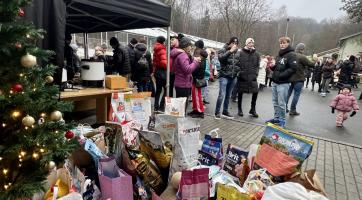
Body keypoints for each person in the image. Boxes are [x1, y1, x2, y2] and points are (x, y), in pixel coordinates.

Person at [266, 37, 298, 127]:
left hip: (283, 83)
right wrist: (272, 67)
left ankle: (282, 121)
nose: (282, 45)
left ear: (288, 43)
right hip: (275, 82)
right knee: (275, 102)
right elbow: (278, 66)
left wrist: (281, 75)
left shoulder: (292, 54)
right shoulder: (280, 54)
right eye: (281, 43)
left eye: (284, 43)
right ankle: (276, 119)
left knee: (281, 103)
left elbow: (293, 68)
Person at [171, 37, 201, 108]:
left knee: (180, 106)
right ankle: (181, 119)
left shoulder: (180, 54)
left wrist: (193, 59)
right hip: (183, 84)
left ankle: (180, 118)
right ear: (186, 46)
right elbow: (187, 70)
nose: (191, 47)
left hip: (180, 83)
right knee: (182, 107)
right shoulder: (183, 55)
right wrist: (195, 62)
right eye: (190, 45)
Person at [214, 37, 240, 119]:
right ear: (230, 43)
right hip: (224, 76)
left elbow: (239, 64)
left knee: (228, 95)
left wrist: (237, 73)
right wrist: (230, 51)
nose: (234, 44)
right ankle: (217, 112)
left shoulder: (238, 53)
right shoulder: (223, 49)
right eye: (233, 42)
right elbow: (221, 59)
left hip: (233, 77)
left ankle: (225, 111)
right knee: (221, 95)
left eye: (236, 43)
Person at [286, 43, 315, 115]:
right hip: (299, 79)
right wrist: (315, 59)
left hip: (290, 78)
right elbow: (311, 64)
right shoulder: (302, 57)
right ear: (302, 49)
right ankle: (292, 110)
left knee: (288, 94)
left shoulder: (290, 55)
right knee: (296, 95)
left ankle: (284, 108)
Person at [236, 38, 260, 118]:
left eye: (252, 43)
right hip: (242, 76)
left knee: (255, 92)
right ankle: (239, 109)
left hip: (253, 77)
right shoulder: (240, 52)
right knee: (240, 92)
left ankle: (253, 109)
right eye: (249, 43)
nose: (251, 44)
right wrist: (240, 73)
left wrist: (256, 74)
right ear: (246, 43)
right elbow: (237, 64)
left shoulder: (256, 54)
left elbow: (257, 65)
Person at [188, 49, 208, 118]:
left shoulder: (200, 62)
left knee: (197, 97)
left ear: (201, 56)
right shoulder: (204, 61)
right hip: (197, 81)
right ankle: (195, 109)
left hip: (197, 81)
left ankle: (200, 111)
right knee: (195, 96)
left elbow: (194, 70)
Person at [152, 36, 167, 112]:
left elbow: (154, 61)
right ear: (163, 42)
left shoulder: (156, 48)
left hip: (157, 71)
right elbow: (164, 63)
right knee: (166, 89)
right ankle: (161, 107)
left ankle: (156, 106)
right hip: (163, 72)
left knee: (158, 90)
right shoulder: (162, 49)